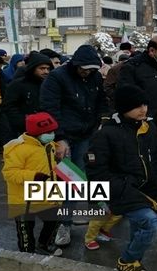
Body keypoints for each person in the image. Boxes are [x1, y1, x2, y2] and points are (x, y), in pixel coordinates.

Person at [86, 84, 157, 271]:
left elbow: (154, 157)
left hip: (147, 190)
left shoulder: (149, 127)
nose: (143, 109)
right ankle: (127, 259)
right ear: (123, 107)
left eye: (145, 104)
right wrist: (121, 189)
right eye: (137, 106)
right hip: (123, 192)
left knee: (139, 227)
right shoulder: (106, 133)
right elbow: (97, 172)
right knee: (153, 225)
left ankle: (135, 260)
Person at [40, 44, 108, 246]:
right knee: (67, 182)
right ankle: (64, 224)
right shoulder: (57, 77)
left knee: (88, 176)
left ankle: (96, 222)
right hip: (65, 137)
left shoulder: (94, 76)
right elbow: (49, 108)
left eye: (91, 69)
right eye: (83, 69)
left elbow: (101, 102)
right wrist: (59, 138)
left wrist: (102, 121)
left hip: (88, 134)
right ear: (75, 64)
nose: (86, 72)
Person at [118, 36, 157, 220]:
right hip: (143, 126)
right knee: (144, 166)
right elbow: (125, 96)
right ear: (151, 51)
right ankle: (142, 202)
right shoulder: (133, 67)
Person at [1, 112, 63, 256]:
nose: (52, 134)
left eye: (53, 131)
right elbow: (9, 173)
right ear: (36, 132)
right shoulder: (18, 149)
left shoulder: (49, 145)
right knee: (25, 230)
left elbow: (51, 165)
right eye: (48, 132)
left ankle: (46, 244)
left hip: (47, 193)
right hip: (24, 199)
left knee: (54, 219)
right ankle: (27, 254)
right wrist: (33, 176)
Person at [2, 53, 53, 139]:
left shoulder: (50, 84)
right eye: (42, 68)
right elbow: (9, 106)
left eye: (48, 69)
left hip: (47, 128)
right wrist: (23, 122)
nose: (46, 72)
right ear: (33, 68)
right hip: (23, 131)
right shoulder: (17, 84)